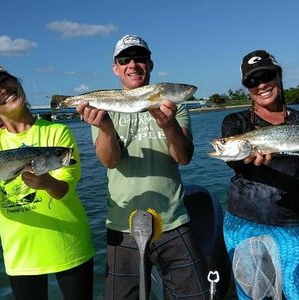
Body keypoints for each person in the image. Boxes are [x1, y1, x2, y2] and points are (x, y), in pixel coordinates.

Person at [76, 34, 210, 299]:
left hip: (173, 219)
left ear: (150, 64)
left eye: (140, 58)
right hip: (120, 223)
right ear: (115, 68)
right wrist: (104, 126)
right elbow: (109, 161)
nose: (133, 65)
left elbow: (183, 157)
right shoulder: (106, 107)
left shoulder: (174, 107)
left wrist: (169, 125)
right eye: (125, 59)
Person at [0, 65, 95, 300]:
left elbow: (65, 188)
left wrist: (46, 183)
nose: (3, 90)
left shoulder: (57, 131)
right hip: (21, 255)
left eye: (4, 80)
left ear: (17, 81)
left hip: (70, 244)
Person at [222, 50, 299, 299]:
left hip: (292, 223)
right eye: (252, 81)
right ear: (247, 88)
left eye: (267, 75)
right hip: (244, 221)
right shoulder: (236, 122)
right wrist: (246, 161)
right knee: (253, 293)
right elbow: (235, 163)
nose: (262, 84)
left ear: (279, 76)